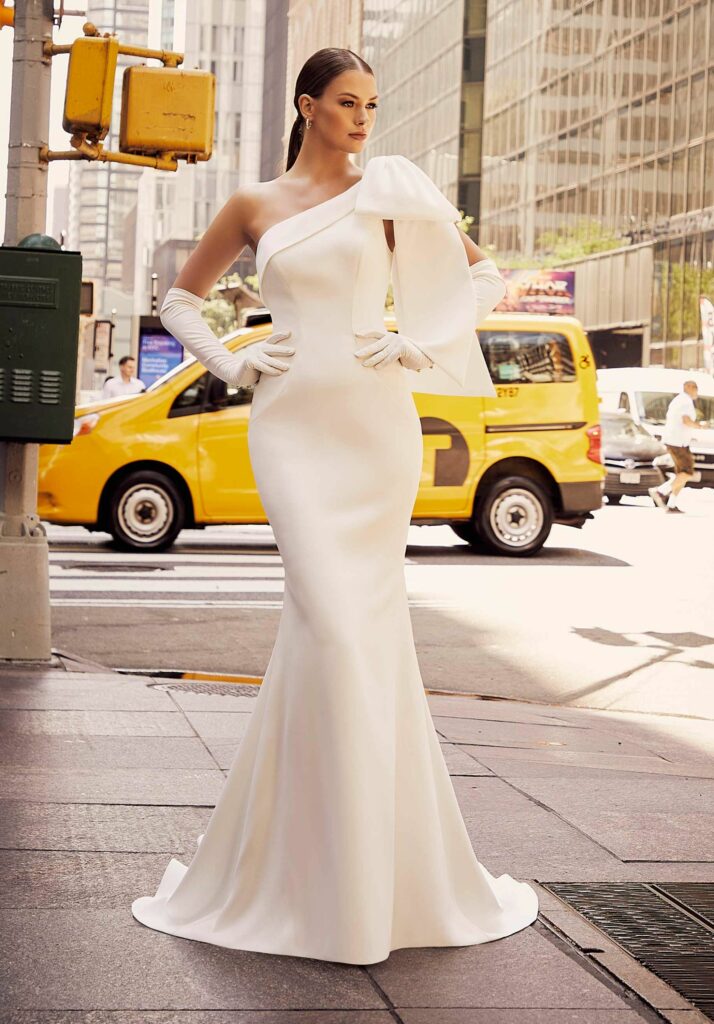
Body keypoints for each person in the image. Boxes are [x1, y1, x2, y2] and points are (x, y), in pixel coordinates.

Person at [131, 47, 538, 964]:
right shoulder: (254, 205)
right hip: (289, 428)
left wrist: (412, 347)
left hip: (372, 426)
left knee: (353, 636)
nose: (363, 118)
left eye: (372, 104)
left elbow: (485, 279)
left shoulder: (389, 189)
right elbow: (180, 300)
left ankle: (358, 874)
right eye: (347, 102)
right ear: (308, 105)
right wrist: (235, 363)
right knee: (332, 626)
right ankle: (314, 872)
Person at [649, 380, 704, 514]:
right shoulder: (685, 401)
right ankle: (661, 491)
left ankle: (671, 504)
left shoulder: (679, 400)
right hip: (677, 443)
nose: (697, 391)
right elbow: (686, 420)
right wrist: (699, 426)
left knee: (681, 474)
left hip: (679, 441)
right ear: (688, 387)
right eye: (695, 388)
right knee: (687, 472)